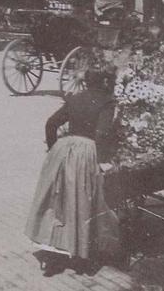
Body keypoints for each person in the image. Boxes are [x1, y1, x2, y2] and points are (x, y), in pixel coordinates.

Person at [25, 56, 121, 277]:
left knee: (57, 200)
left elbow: (51, 123)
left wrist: (53, 149)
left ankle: (51, 253)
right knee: (82, 200)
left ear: (87, 80)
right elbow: (102, 134)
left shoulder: (75, 97)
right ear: (106, 81)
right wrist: (104, 157)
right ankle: (79, 251)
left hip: (63, 150)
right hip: (86, 152)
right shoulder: (108, 102)